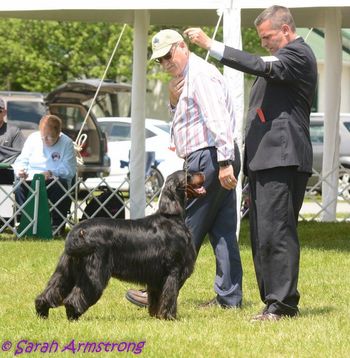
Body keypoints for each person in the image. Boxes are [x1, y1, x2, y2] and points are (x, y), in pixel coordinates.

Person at [185, 5, 317, 321]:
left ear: (286, 29)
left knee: (278, 232)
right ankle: (273, 301)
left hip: (282, 158)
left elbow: (257, 64)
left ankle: (283, 305)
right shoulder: (283, 58)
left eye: (268, 36)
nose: (264, 43)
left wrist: (210, 45)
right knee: (262, 234)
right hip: (266, 160)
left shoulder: (298, 55)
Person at [126, 29, 243, 309]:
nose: (166, 63)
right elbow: (183, 121)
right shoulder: (186, 79)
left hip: (209, 158)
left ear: (181, 47)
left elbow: (219, 122)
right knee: (223, 229)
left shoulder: (200, 76)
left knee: (181, 227)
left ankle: (158, 289)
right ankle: (229, 298)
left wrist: (225, 161)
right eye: (160, 61)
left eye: (168, 56)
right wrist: (173, 101)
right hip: (212, 157)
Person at [12, 114, 77, 234]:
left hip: (54, 180)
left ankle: (56, 225)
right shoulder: (33, 138)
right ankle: (24, 222)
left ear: (59, 133)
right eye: (43, 136)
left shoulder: (67, 143)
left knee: (60, 185)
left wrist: (51, 172)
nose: (45, 140)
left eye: (49, 137)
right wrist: (20, 170)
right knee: (18, 184)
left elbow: (69, 170)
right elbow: (22, 160)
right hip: (31, 178)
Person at [0, 97, 25, 184]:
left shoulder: (13, 131)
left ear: (5, 112)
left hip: (6, 178)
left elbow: (20, 155)